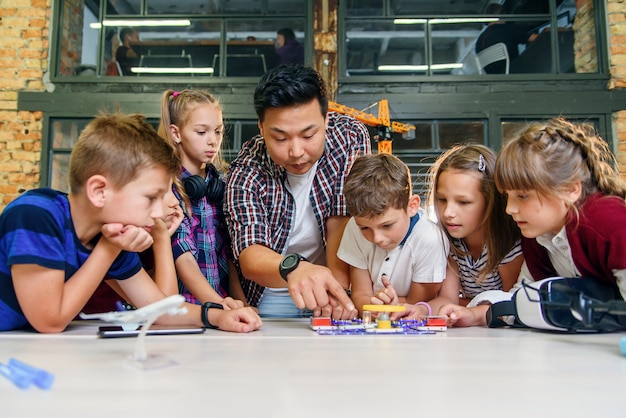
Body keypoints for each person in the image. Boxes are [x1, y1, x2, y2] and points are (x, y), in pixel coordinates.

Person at [0, 112, 262, 333]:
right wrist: (108, 249)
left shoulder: (113, 236)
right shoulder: (35, 215)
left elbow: (157, 309)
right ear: (100, 191)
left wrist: (215, 315)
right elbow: (49, 320)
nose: (159, 210)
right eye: (151, 197)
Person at [438, 118, 626, 327]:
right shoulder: (538, 237)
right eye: (507, 196)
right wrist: (474, 315)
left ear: (571, 190)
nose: (509, 209)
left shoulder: (610, 223)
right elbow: (522, 297)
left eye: (523, 196)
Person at [225, 64, 371, 319]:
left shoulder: (349, 136)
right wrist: (295, 268)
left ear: (326, 120)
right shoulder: (247, 168)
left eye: (308, 135)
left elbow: (341, 222)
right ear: (261, 128)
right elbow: (250, 254)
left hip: (333, 289)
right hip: (271, 298)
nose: (295, 151)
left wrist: (333, 293)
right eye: (280, 139)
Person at [158, 89, 247, 310]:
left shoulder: (220, 185)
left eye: (218, 131)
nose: (212, 141)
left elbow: (229, 255)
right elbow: (183, 258)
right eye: (201, 132)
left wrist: (240, 304)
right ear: (176, 133)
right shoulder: (168, 189)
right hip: (187, 308)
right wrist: (217, 305)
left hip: (221, 303)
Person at [337, 153, 449, 317]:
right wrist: (373, 307)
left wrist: (386, 306)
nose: (376, 238)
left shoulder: (429, 238)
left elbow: (417, 303)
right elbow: (360, 294)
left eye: (387, 225)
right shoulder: (354, 227)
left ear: (412, 206)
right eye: (365, 228)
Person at [426, 144, 523, 309]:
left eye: (463, 202)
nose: (448, 212)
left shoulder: (508, 245)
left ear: (491, 201)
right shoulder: (447, 241)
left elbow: (511, 305)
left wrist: (468, 308)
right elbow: (449, 300)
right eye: (442, 200)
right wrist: (418, 308)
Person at [475, 4, 536, 74]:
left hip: (495, 78)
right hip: (514, 73)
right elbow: (536, 39)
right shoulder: (507, 29)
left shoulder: (479, 40)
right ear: (502, 15)